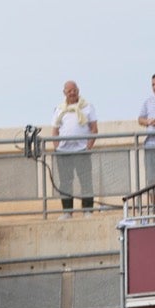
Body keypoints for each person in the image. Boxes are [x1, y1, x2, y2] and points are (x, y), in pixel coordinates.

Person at [50, 81, 98, 216]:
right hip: (63, 151)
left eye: (74, 90)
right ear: (64, 92)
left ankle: (87, 210)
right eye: (69, 90)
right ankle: (67, 211)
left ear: (78, 90)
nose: (72, 93)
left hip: (82, 150)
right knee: (65, 182)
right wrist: (57, 147)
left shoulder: (87, 107)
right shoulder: (59, 109)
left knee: (86, 181)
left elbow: (94, 129)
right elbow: (55, 131)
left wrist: (88, 146)